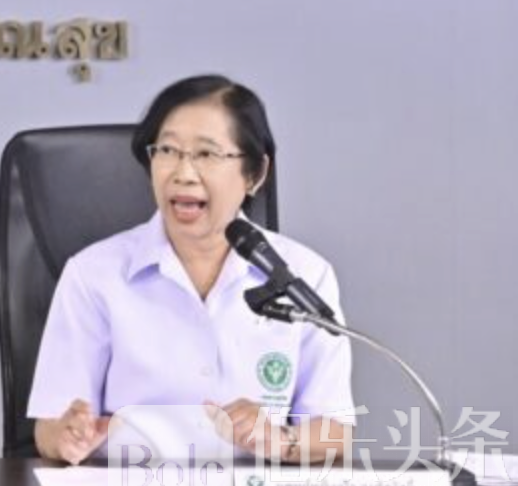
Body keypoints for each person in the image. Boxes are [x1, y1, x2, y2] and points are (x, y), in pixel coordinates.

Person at [27, 74, 354, 465]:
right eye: (167, 150)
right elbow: (50, 428)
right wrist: (66, 436)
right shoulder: (93, 275)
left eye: (206, 154)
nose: (182, 173)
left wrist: (280, 440)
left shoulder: (304, 275)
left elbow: (334, 433)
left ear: (255, 174)